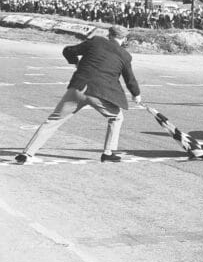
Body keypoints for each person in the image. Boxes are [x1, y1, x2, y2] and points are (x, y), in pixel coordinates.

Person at [16, 26, 141, 164]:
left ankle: (27, 153)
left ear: (109, 34)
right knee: (116, 117)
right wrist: (136, 95)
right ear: (124, 39)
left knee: (53, 120)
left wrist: (76, 62)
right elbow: (130, 79)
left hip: (78, 88)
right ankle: (108, 152)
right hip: (100, 93)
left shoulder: (96, 41)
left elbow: (69, 50)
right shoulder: (125, 55)